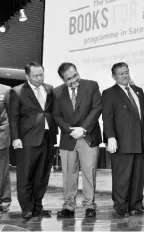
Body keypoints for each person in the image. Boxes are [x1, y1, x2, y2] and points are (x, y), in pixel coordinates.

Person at [102, 62, 144, 217]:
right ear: (113, 76)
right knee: (122, 177)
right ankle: (121, 207)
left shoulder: (138, 91)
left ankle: (136, 206)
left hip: (140, 140)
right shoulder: (109, 93)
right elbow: (107, 118)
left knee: (138, 176)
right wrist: (110, 137)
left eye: (126, 72)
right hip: (121, 141)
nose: (125, 76)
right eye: (121, 73)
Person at [8, 62, 57, 219]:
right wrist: (15, 138)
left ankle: (38, 206)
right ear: (27, 76)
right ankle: (27, 207)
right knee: (26, 175)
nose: (39, 78)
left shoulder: (49, 89)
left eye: (41, 74)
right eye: (35, 75)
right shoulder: (17, 91)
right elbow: (14, 117)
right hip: (27, 139)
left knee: (42, 175)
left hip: (47, 138)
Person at [53, 62, 102, 218]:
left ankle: (89, 205)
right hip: (69, 138)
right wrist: (70, 130)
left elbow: (96, 109)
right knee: (68, 174)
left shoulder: (91, 86)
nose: (74, 79)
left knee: (89, 172)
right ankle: (68, 205)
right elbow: (56, 115)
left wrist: (83, 128)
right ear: (63, 80)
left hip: (88, 137)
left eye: (75, 75)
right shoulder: (57, 92)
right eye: (69, 78)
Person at [0, 83, 12, 213]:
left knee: (1, 169)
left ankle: (2, 200)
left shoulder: (5, 90)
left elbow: (10, 115)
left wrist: (3, 131)